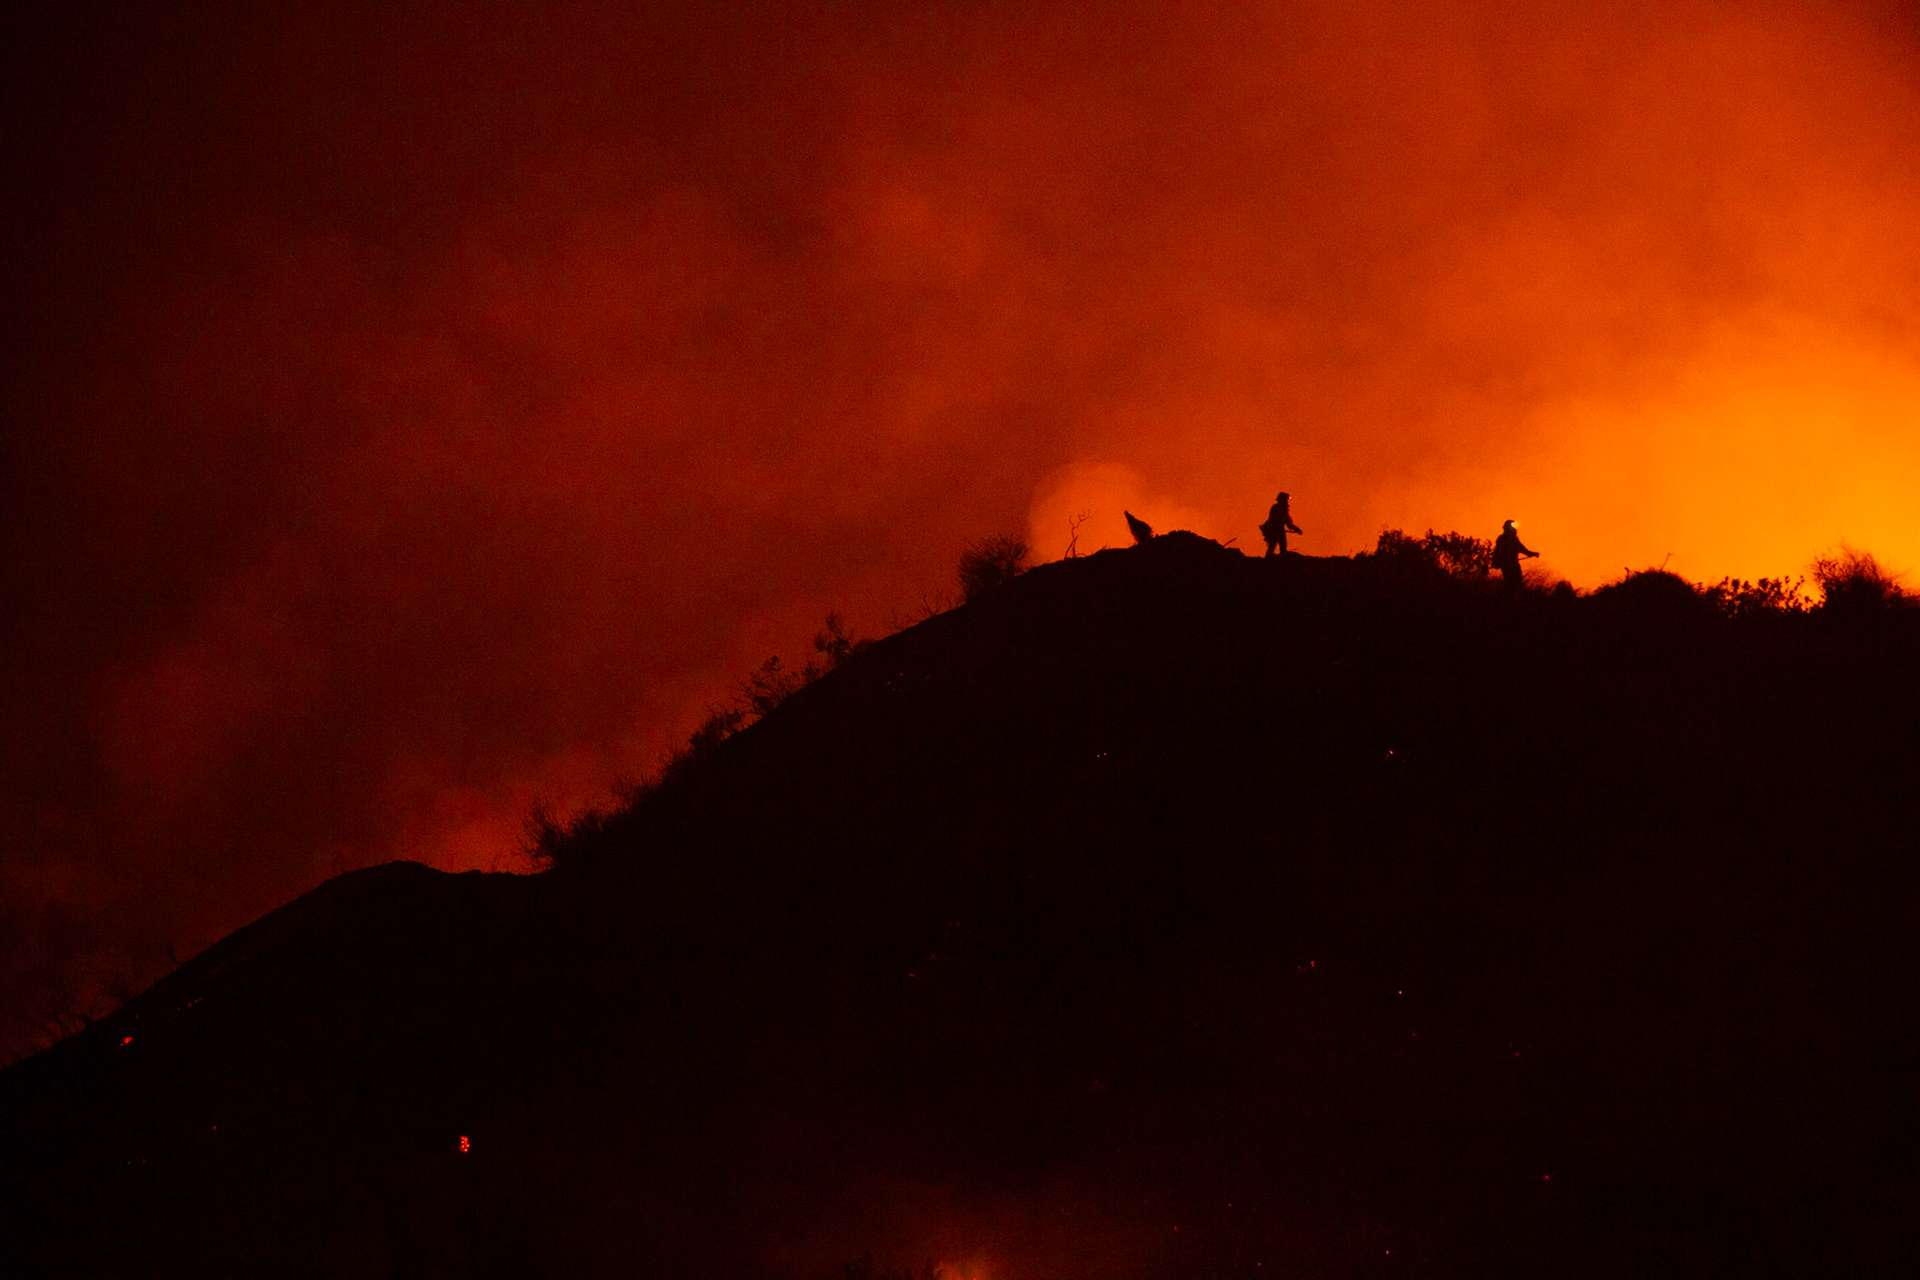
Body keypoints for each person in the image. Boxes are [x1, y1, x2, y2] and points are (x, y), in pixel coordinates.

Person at [1492, 519, 1538, 590]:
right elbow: (1498, 551)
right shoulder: (1503, 539)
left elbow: (1522, 548)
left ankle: (1510, 594)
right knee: (1510, 581)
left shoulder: (1512, 539)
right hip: (1507, 564)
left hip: (1512, 563)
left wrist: (1531, 554)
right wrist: (1497, 562)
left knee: (1516, 580)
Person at [1260, 492, 1302, 558]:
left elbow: (1288, 523)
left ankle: (1270, 560)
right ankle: (1268, 561)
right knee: (1274, 547)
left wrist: (1296, 528)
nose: (1287, 502)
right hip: (1275, 530)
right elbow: (1287, 523)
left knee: (1276, 548)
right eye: (1286, 500)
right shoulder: (1278, 509)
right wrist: (1296, 529)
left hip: (1276, 530)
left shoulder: (1280, 509)